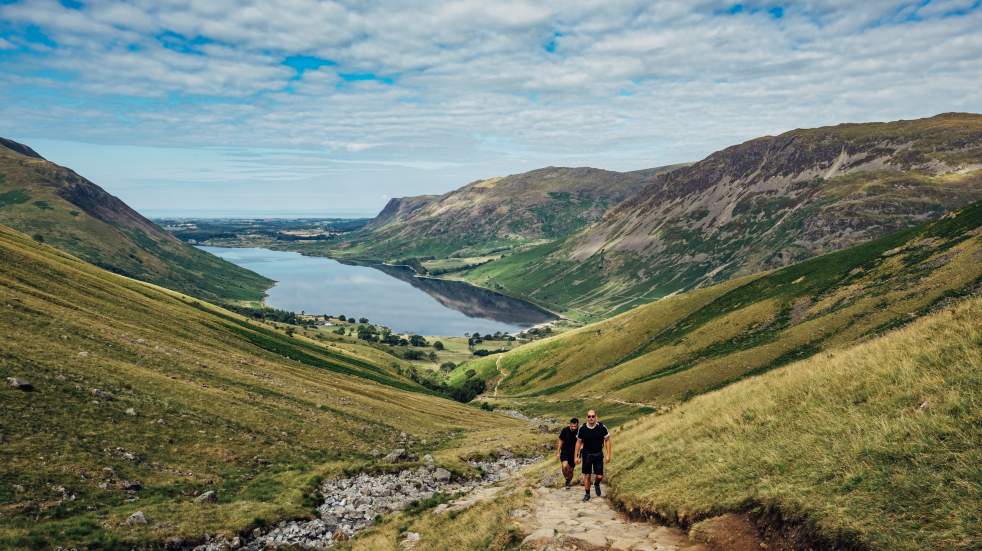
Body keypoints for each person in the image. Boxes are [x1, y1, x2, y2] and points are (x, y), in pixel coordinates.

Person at [574, 409, 611, 501]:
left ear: (596, 417)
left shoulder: (602, 427)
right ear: (586, 417)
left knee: (599, 476)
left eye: (593, 416)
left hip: (598, 453)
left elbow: (607, 441)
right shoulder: (582, 429)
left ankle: (597, 483)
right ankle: (587, 494)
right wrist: (576, 456)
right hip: (586, 454)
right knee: (587, 475)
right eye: (589, 416)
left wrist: (608, 455)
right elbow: (578, 443)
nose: (591, 418)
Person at [556, 418, 579, 489]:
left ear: (577, 425)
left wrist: (579, 455)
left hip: (574, 453)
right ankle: (567, 479)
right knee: (564, 466)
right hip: (565, 452)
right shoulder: (565, 430)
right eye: (572, 426)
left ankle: (568, 481)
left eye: (575, 426)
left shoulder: (579, 431)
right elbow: (560, 441)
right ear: (570, 424)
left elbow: (582, 443)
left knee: (570, 470)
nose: (573, 428)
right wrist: (558, 452)